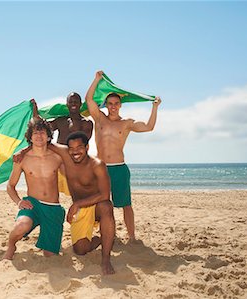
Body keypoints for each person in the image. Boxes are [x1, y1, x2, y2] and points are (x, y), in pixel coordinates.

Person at [85, 70, 162, 243]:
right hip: (101, 168)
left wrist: (154, 107)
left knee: (126, 204)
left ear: (120, 105)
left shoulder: (126, 123)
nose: (113, 106)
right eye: (110, 103)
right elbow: (89, 99)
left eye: (116, 103)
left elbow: (149, 127)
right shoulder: (99, 119)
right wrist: (96, 80)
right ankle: (103, 232)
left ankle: (132, 236)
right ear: (106, 104)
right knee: (100, 204)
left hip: (119, 168)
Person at [3, 102, 65, 260]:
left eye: (43, 133)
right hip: (33, 204)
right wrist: (18, 202)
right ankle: (11, 246)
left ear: (49, 136)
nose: (39, 136)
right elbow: (10, 186)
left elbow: (72, 178)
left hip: (53, 208)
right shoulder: (22, 159)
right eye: (35, 133)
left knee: (50, 255)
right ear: (30, 137)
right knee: (22, 225)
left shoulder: (58, 157)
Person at [49, 131, 115, 275]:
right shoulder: (66, 155)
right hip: (81, 211)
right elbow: (42, 141)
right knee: (80, 250)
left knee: (106, 206)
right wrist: (23, 152)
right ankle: (101, 239)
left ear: (87, 147)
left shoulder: (97, 165)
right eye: (71, 148)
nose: (75, 152)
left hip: (96, 205)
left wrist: (77, 204)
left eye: (79, 147)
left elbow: (105, 195)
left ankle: (106, 258)